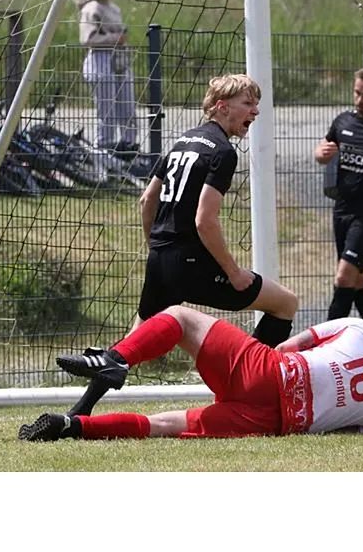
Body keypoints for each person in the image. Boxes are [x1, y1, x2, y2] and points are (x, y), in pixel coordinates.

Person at [59, 74, 298, 419]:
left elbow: (147, 200)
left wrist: (156, 248)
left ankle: (79, 410)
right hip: (192, 262)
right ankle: (246, 388)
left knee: (132, 342)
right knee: (285, 303)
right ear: (222, 107)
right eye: (248, 103)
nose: (255, 111)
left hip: (161, 258)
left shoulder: (181, 141)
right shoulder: (223, 151)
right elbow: (205, 221)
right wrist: (233, 272)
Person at [17, 305, 363, 441]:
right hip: (275, 421)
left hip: (271, 370)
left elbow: (289, 347)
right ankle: (72, 426)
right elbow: (340, 432)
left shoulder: (362, 328)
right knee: (164, 425)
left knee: (181, 317)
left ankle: (118, 358)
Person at [314, 67, 363, 344]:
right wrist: (321, 153)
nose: (360, 100)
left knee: (344, 276)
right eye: (357, 93)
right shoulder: (343, 121)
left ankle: (325, 342)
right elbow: (322, 150)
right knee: (358, 279)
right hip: (342, 209)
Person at [78, 0, 138, 156]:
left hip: (119, 60)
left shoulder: (114, 8)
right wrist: (114, 38)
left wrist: (120, 38)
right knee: (107, 112)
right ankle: (104, 149)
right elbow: (87, 39)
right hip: (100, 61)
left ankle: (129, 147)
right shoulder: (91, 8)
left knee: (128, 107)